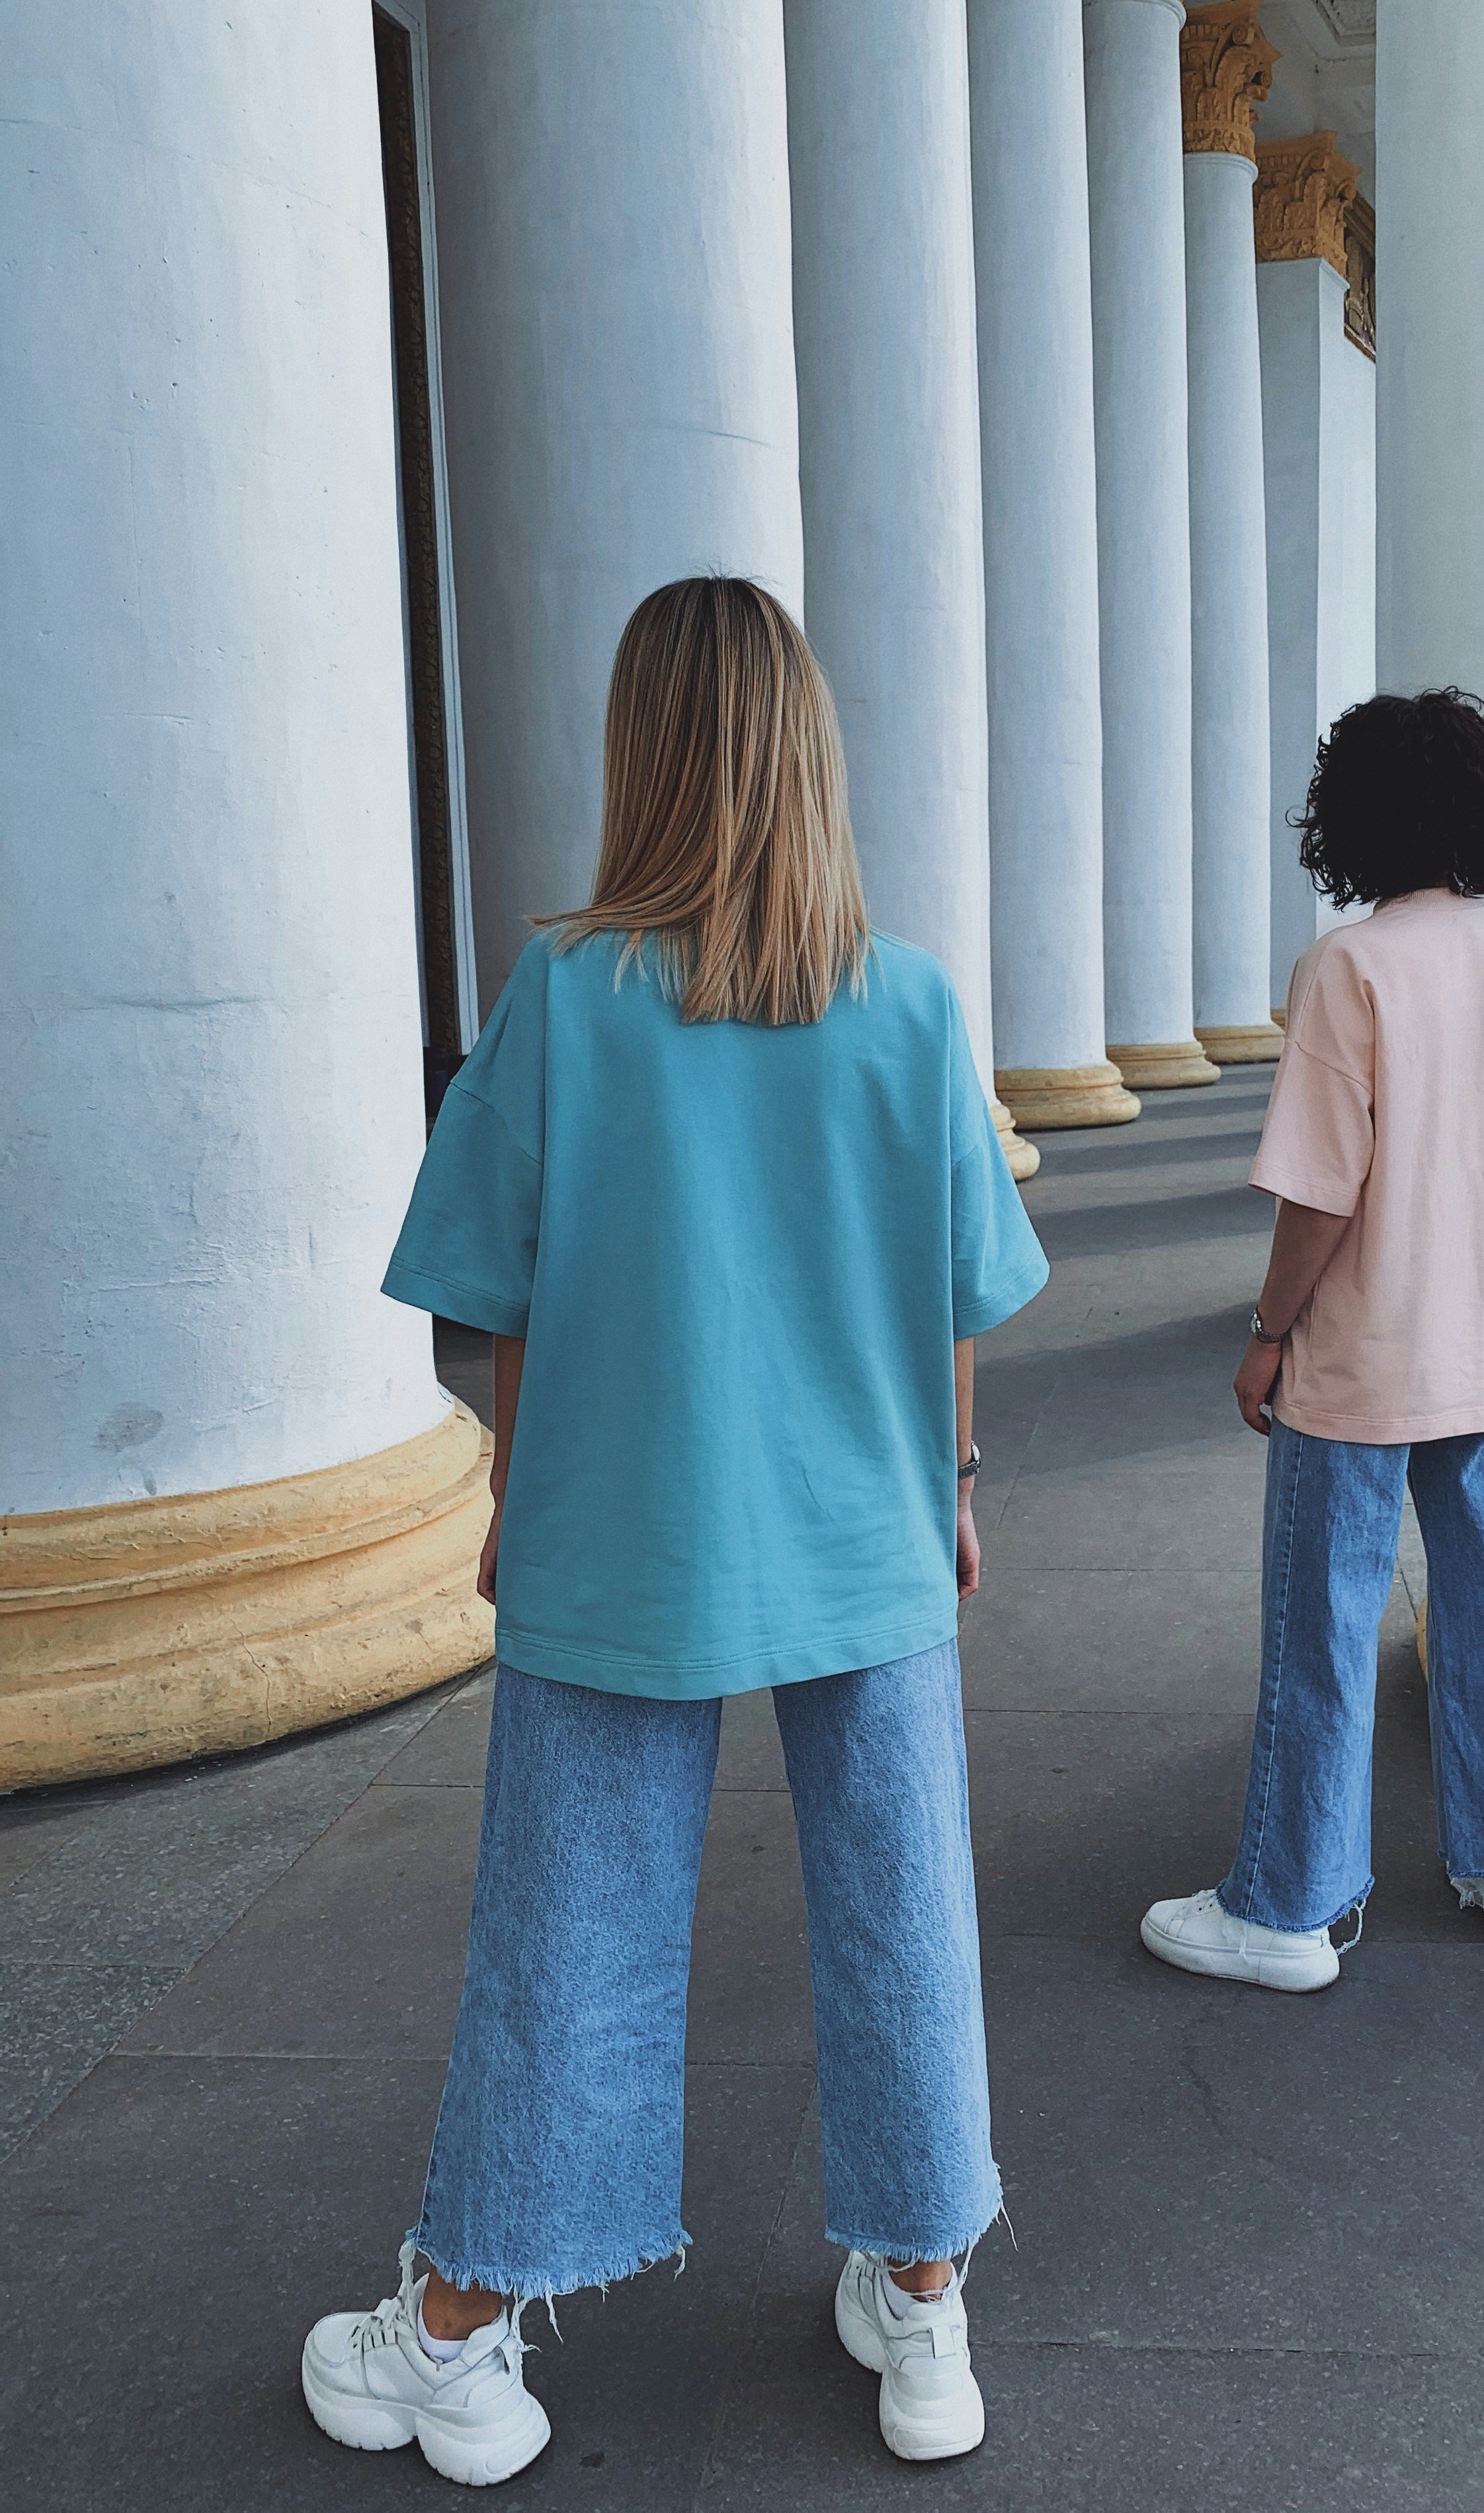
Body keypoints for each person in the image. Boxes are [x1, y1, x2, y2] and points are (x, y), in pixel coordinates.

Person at [300, 577, 1048, 2481]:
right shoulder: (909, 998)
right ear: (811, 752)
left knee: (570, 1923)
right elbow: (954, 1300)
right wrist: (949, 1499)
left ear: (643, 755)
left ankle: (464, 2336)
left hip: (622, 1530)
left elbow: (511, 1306)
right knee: (901, 1917)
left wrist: (505, 1502)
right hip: (865, 1527)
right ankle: (926, 2305)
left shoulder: (562, 994)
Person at [1142, 687, 1484, 1994]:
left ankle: (1289, 1905)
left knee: (1324, 1622)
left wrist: (1265, 1334)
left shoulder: (1348, 970)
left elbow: (1320, 1193)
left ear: (1350, 818)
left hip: (1360, 1356)